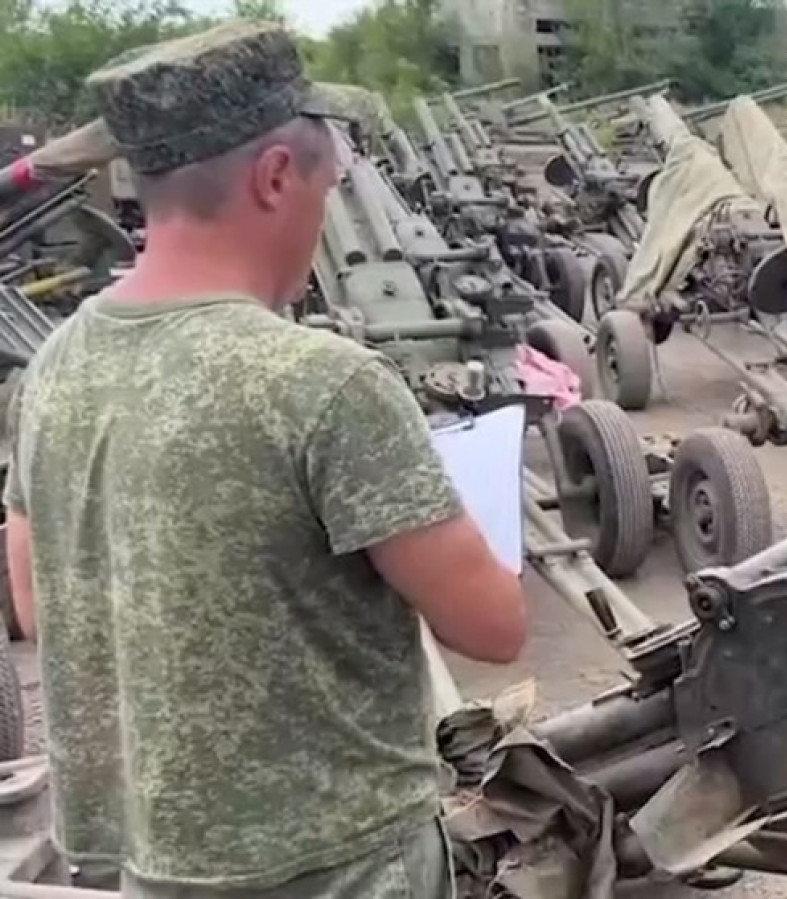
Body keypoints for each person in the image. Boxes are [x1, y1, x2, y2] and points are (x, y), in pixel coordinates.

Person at [3, 18, 528, 899]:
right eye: (330, 187)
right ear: (277, 176)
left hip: (146, 863)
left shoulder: (53, 367)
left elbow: (37, 602)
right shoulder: (323, 382)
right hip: (342, 869)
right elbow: (494, 626)